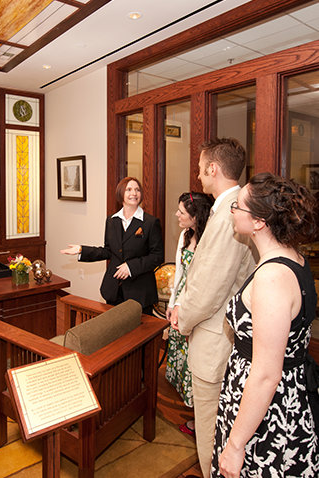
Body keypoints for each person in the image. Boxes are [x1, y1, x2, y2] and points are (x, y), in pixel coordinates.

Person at [210, 173, 318, 478]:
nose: (232, 211)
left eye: (238, 206)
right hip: (273, 398)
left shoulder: (272, 278)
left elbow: (267, 375)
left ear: (259, 222)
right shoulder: (293, 258)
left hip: (267, 414)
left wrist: (235, 446)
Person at [170, 138, 256, 477]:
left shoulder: (228, 215)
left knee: (210, 432)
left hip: (214, 339)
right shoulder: (231, 208)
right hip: (222, 335)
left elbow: (209, 287)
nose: (198, 175)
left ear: (213, 168)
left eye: (200, 169)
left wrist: (183, 319)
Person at [61, 176, 164, 314]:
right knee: (113, 327)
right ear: (121, 193)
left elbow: (157, 256)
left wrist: (130, 267)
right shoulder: (111, 220)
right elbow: (108, 251)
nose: (134, 193)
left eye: (137, 190)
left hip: (140, 293)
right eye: (129, 189)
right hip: (114, 290)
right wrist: (82, 250)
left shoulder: (150, 222)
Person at [165, 191, 213, 421]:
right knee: (179, 349)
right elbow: (179, 273)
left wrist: (184, 303)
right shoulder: (185, 235)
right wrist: (172, 303)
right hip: (180, 301)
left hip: (197, 300)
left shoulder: (209, 239)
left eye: (181, 212)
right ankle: (185, 400)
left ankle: (198, 408)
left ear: (196, 216)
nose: (177, 215)